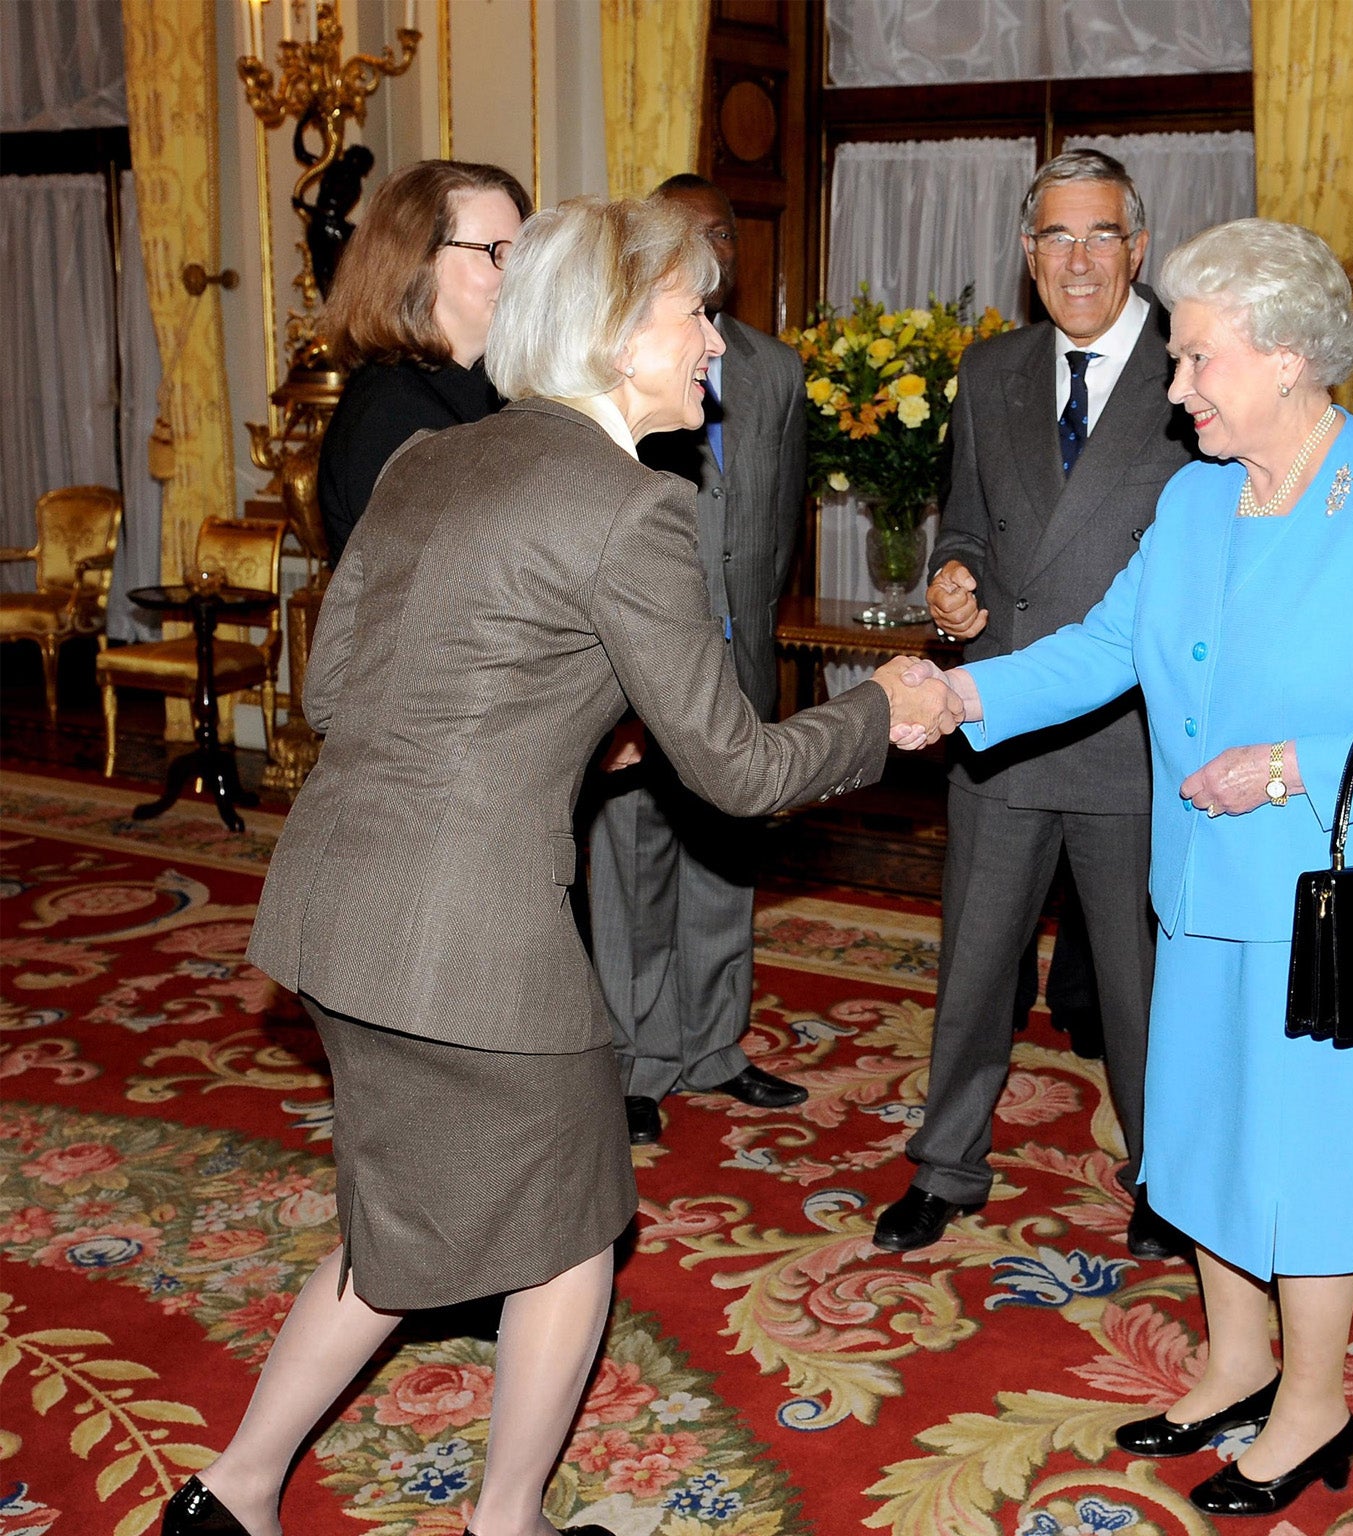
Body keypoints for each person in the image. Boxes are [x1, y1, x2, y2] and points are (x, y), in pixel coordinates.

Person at [166, 197, 957, 1536]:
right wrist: (889, 706)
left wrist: (561, 746)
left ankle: (231, 1492)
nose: (715, 339)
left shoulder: (430, 460)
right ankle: (507, 1523)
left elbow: (347, 691)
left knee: (405, 1230)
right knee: (572, 1229)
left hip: (332, 908)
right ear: (609, 334)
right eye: (691, 311)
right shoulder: (630, 505)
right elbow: (743, 774)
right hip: (469, 934)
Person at [907, 218, 1353, 1517]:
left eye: (1195, 362)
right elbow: (1102, 651)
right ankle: (1236, 1363)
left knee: (1312, 1158)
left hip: (1330, 899)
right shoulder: (1191, 499)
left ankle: (1313, 1403)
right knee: (1206, 1136)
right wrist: (960, 693)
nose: (1174, 391)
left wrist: (1288, 762)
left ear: (1288, 358)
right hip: (1199, 888)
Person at [872, 148, 1199, 1259]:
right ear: (1025, 254)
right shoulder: (990, 372)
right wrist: (952, 578)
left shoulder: (1193, 367)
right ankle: (946, 1164)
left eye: (1099, 234)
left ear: (1137, 247)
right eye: (1053, 237)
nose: (1076, 259)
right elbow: (961, 523)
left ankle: (1165, 1179)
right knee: (972, 967)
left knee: (1138, 985)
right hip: (1001, 725)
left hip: (1133, 739)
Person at [584, 173, 812, 1145]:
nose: (711, 248)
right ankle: (633, 1062)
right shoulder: (611, 369)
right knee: (629, 868)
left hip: (736, 674)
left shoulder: (776, 372)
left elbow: (779, 526)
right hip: (636, 672)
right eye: (689, 235)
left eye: (722, 233)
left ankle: (713, 1046)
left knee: (723, 865)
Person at [316, 158, 531, 563]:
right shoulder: (392, 415)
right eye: (497, 252)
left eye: (523, 255)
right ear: (421, 261)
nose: (520, 274)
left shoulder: (488, 393)